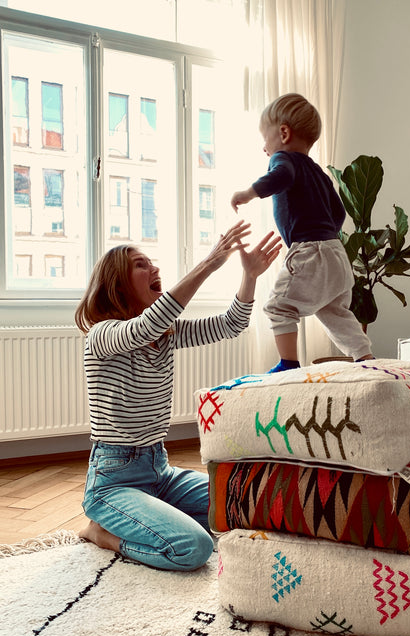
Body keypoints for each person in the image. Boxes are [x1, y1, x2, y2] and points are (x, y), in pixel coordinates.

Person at [74, 222, 281, 571]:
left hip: (160, 470)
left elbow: (232, 324)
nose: (153, 268)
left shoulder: (167, 334)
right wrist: (209, 263)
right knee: (194, 547)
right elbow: (145, 327)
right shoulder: (102, 335)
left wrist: (249, 276)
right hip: (113, 480)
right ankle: (102, 533)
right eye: (140, 265)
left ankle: (155, 515)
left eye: (151, 262)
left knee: (247, 502)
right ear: (118, 284)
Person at [231, 93, 373, 373]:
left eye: (265, 138)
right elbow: (338, 212)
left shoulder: (283, 159)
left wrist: (249, 193)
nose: (264, 147)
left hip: (310, 250)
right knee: (335, 313)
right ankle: (366, 359)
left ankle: (288, 364)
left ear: (284, 133)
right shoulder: (318, 172)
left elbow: (280, 177)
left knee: (278, 306)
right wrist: (327, 236)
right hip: (336, 253)